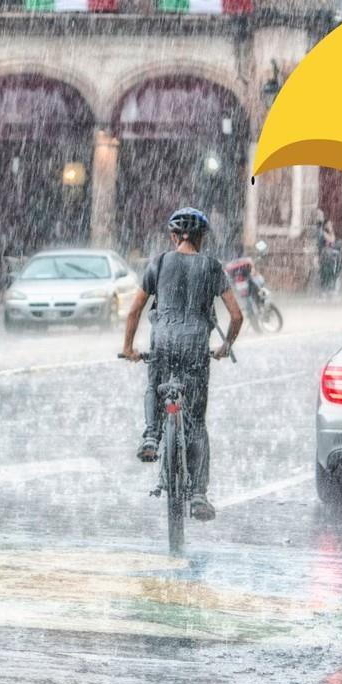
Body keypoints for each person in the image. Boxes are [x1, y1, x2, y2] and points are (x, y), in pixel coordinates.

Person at [120, 207, 243, 522]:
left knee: (154, 385)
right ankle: (199, 494)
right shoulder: (212, 267)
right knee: (196, 424)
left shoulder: (159, 263)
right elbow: (237, 315)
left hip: (163, 343)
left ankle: (150, 435)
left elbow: (134, 311)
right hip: (195, 349)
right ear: (201, 238)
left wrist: (128, 347)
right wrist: (225, 346)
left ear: (173, 236)